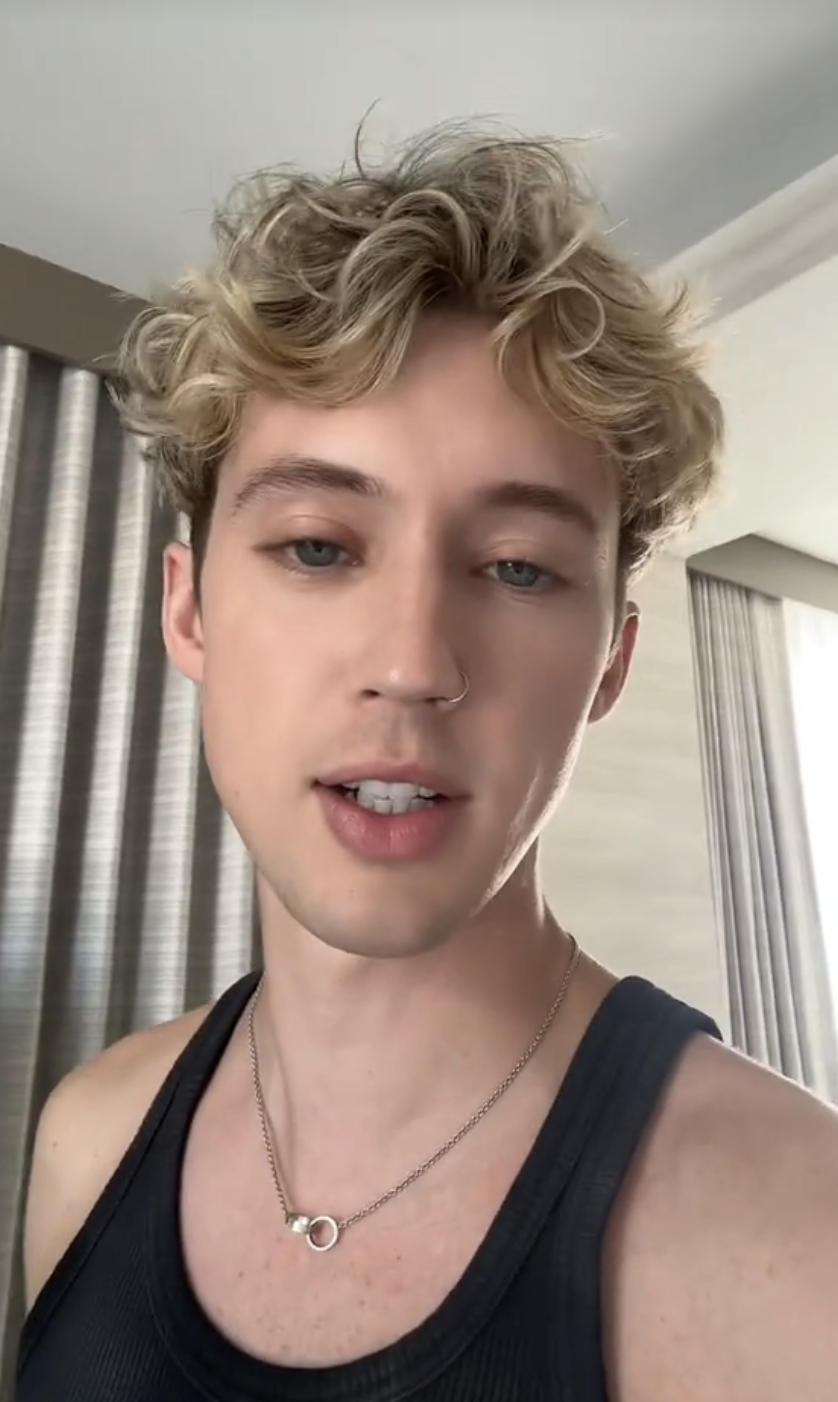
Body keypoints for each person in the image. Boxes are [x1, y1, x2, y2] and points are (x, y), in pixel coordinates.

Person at [16, 126, 838, 1402]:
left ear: (609, 666)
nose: (411, 661)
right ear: (188, 613)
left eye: (516, 567)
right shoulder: (85, 1138)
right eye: (316, 547)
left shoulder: (800, 1237)